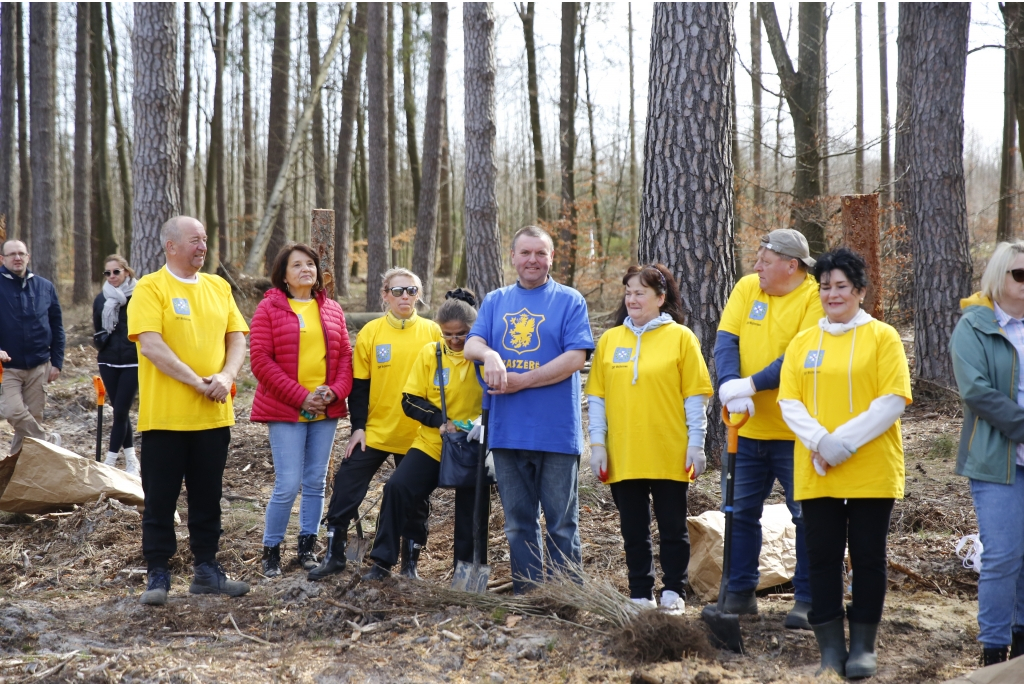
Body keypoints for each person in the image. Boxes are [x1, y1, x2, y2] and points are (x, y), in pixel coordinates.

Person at [778, 247, 911, 678]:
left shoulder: (883, 337)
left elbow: (890, 402)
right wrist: (820, 441)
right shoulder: (803, 342)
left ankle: (864, 646)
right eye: (825, 287)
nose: (832, 294)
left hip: (871, 468)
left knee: (869, 556)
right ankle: (831, 646)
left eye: (841, 286)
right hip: (817, 470)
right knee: (822, 556)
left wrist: (840, 444)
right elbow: (789, 402)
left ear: (859, 290)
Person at [464, 225, 594, 594]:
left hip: (556, 431)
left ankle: (567, 594)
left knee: (561, 523)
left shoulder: (569, 300)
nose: (533, 260)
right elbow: (471, 343)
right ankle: (529, 593)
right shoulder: (495, 300)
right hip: (506, 430)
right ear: (513, 257)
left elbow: (575, 358)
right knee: (519, 522)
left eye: (541, 253)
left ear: (551, 258)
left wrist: (523, 380)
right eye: (526, 253)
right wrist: (489, 353)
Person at [127, 216, 250, 606]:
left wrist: (226, 376)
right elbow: (151, 346)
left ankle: (207, 570)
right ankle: (158, 574)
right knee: (160, 499)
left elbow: (237, 338)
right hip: (165, 418)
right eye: (195, 240)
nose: (202, 247)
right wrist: (199, 382)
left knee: (207, 497)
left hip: (213, 417)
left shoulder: (218, 286)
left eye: (205, 240)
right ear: (171, 246)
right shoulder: (150, 287)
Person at [713, 228, 824, 629]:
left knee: (806, 516)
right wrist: (729, 384)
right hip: (747, 430)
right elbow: (727, 340)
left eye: (764, 259)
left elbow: (800, 355)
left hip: (796, 432)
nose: (756, 266)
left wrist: (752, 384)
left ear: (790, 265)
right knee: (740, 513)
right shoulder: (747, 289)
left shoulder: (813, 297)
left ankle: (810, 598)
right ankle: (740, 592)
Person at [585, 265, 712, 613]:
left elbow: (695, 397)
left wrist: (696, 444)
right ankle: (640, 591)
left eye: (640, 292)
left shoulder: (682, 338)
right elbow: (597, 398)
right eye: (628, 292)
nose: (632, 299)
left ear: (661, 298)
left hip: (670, 450)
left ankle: (674, 590)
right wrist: (597, 446)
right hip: (623, 452)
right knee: (633, 529)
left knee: (673, 527)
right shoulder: (611, 340)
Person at [309, 267, 442, 580]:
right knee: (346, 484)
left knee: (414, 497)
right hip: (376, 431)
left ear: (419, 295)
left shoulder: (434, 333)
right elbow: (359, 386)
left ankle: (409, 564)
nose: (405, 296)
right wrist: (358, 427)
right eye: (397, 291)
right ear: (385, 295)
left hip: (419, 435)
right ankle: (334, 554)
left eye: (411, 290)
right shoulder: (371, 333)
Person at [362, 288, 488, 580]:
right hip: (434, 442)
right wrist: (441, 421)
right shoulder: (431, 353)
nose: (455, 341)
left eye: (462, 334)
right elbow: (410, 399)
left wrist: (478, 424)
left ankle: (465, 575)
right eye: (448, 335)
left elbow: (500, 396)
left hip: (472, 446)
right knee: (397, 489)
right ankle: (382, 563)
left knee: (473, 511)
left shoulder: (483, 355)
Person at [249, 243, 353, 577]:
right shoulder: (268, 309)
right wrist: (301, 396)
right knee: (288, 482)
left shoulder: (333, 309)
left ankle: (308, 547)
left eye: (310, 264)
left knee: (316, 481)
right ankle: (271, 551)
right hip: (285, 408)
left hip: (325, 406)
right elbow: (261, 361)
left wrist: (334, 391)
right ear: (283, 274)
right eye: (297, 265)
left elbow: (345, 358)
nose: (306, 269)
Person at [950, 240, 1024, 667]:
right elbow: (976, 391)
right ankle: (994, 652)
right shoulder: (974, 327)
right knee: (1003, 555)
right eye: (1019, 274)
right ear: (999, 277)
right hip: (998, 458)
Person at [0, 240, 64, 454]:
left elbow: (57, 325)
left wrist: (57, 362)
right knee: (14, 411)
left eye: (21, 253)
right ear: (2, 259)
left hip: (39, 365)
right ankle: (46, 441)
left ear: (28, 257)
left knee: (32, 419)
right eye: (11, 254)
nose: (17, 258)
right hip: (6, 368)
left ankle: (15, 471)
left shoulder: (45, 286)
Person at [93, 254, 140, 476]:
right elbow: (97, 330)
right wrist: (100, 341)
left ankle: (109, 463)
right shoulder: (101, 299)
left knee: (121, 411)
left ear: (126, 272)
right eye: (108, 273)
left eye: (116, 272)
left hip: (133, 362)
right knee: (120, 411)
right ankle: (131, 461)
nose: (112, 277)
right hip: (108, 360)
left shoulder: (140, 296)